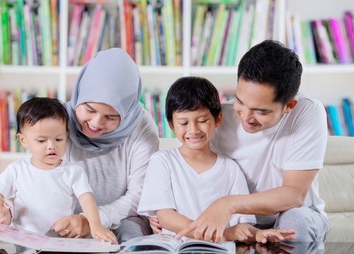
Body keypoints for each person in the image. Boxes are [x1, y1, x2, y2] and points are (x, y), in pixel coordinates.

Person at [174, 40, 328, 242]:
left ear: (289, 105)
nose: (246, 117)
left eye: (261, 111)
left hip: (293, 213)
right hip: (239, 221)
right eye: (239, 101)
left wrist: (227, 204)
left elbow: (294, 195)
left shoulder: (307, 112)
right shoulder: (220, 117)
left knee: (296, 222)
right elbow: (187, 168)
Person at [138, 76, 295, 243]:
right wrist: (221, 234)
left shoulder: (231, 169)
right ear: (171, 124)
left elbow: (243, 225)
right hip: (176, 252)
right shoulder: (162, 161)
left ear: (218, 119)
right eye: (183, 123)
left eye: (203, 121)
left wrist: (258, 234)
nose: (193, 130)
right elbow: (165, 216)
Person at [51, 48, 159, 243]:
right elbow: (40, 173)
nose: (96, 123)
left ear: (126, 112)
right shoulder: (58, 119)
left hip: (123, 218)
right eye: (89, 110)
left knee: (131, 242)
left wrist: (92, 220)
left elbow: (139, 195)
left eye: (111, 117)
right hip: (66, 218)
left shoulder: (142, 127)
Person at [0, 97, 117, 244]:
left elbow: (87, 199)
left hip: (59, 243)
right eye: (41, 141)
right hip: (22, 243)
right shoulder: (17, 169)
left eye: (59, 139)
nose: (51, 146)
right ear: (23, 140)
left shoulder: (72, 172)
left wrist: (95, 226)